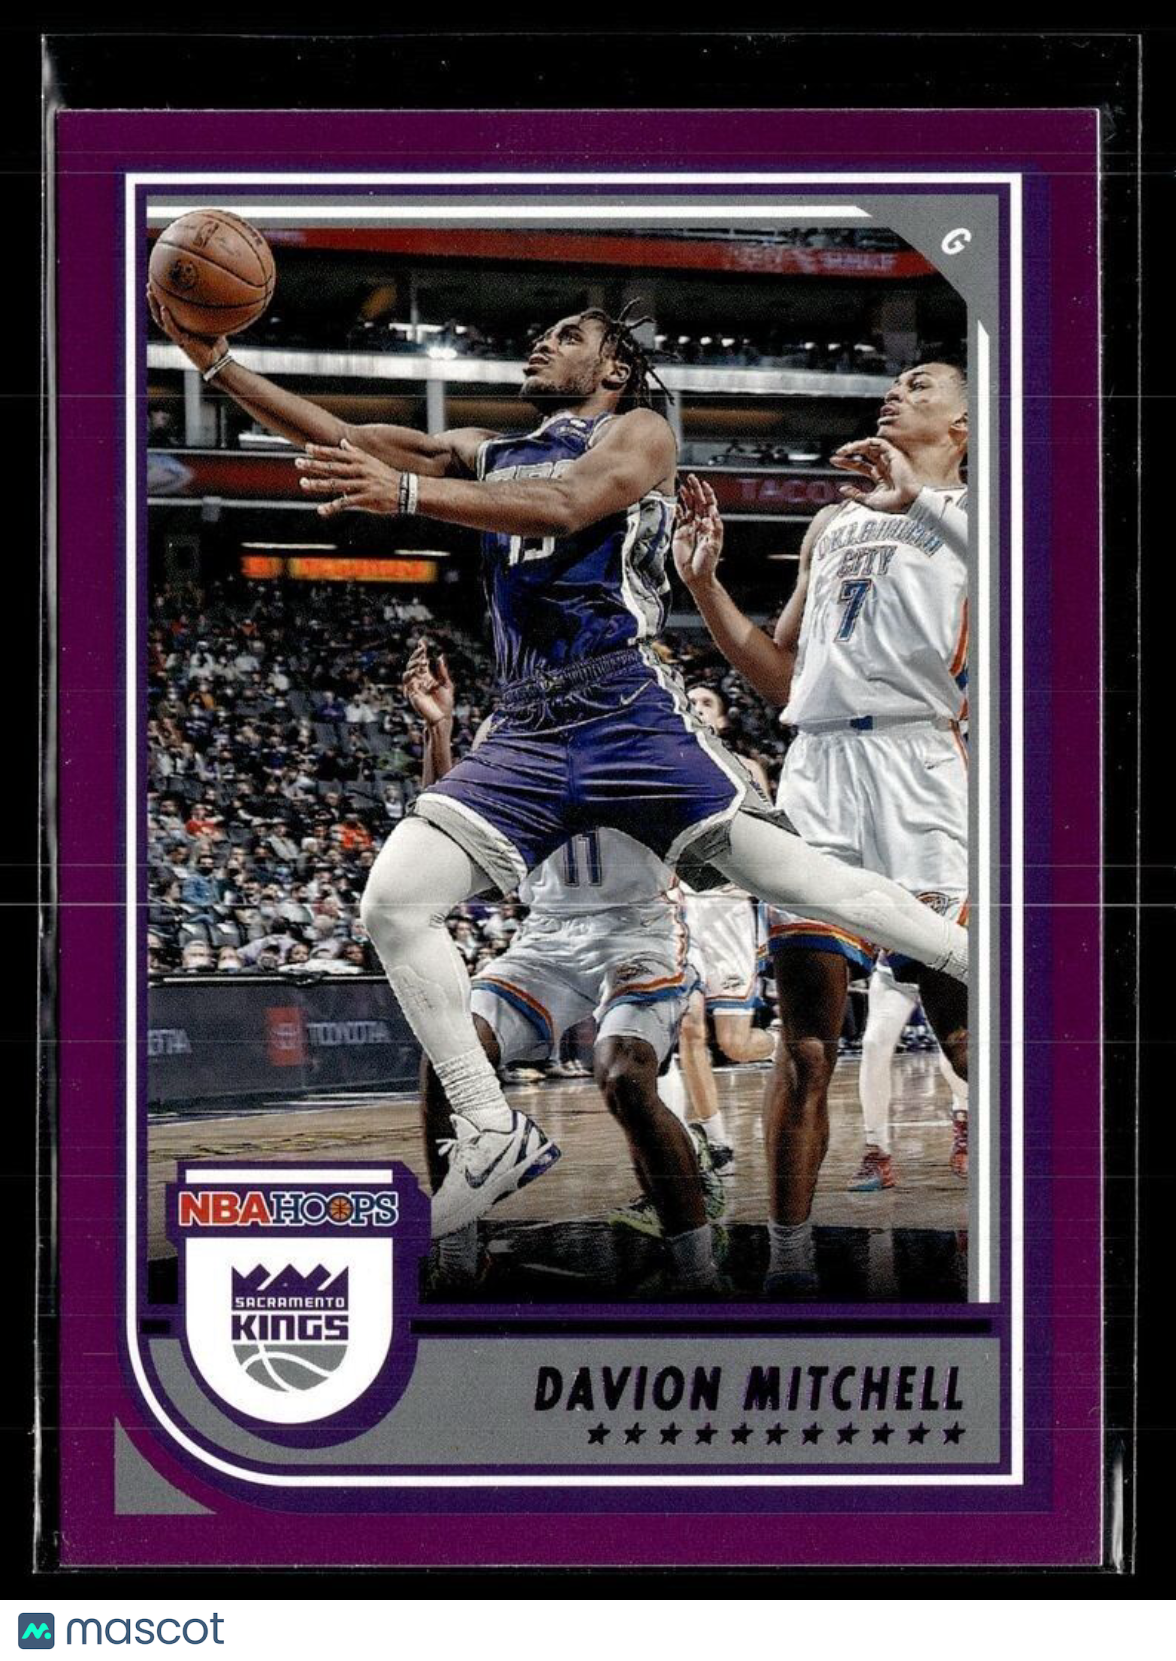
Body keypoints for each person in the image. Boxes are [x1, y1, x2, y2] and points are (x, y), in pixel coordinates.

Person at [152, 295, 968, 1239]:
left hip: (623, 705)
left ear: (613, 368)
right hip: (527, 721)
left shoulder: (640, 432)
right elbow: (344, 438)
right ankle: (490, 1129)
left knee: (807, 881)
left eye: (568, 335)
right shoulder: (487, 450)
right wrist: (218, 364)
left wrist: (408, 496)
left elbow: (567, 502)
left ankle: (974, 961)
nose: (541, 342)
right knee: (393, 902)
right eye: (541, 333)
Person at [673, 361, 970, 1293]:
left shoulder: (986, 515)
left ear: (963, 426)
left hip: (922, 769)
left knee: (965, 1026)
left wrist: (917, 499)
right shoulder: (832, 522)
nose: (898, 391)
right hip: (820, 772)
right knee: (806, 1042)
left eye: (922, 384)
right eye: (897, 382)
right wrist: (705, 586)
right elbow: (780, 675)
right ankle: (789, 1261)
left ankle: (1033, 1227)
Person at [403, 643, 724, 1291]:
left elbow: (708, 848)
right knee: (450, 1056)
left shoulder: (653, 712)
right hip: (547, 932)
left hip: (637, 929)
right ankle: (460, 1258)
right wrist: (439, 730)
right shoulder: (509, 723)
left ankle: (699, 1270)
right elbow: (453, 826)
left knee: (624, 1078)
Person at [673, 684, 775, 1171]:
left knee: (734, 1044)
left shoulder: (747, 769)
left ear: (723, 719)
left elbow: (770, 836)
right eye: (689, 701)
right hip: (679, 908)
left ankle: (786, 1041)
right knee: (689, 1027)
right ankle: (717, 1143)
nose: (696, 707)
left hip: (729, 909)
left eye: (706, 703)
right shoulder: (661, 765)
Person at [851, 957, 969, 1191]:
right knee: (874, 1045)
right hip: (896, 964)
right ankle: (876, 1149)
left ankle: (965, 1121)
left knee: (954, 1049)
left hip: (941, 959)